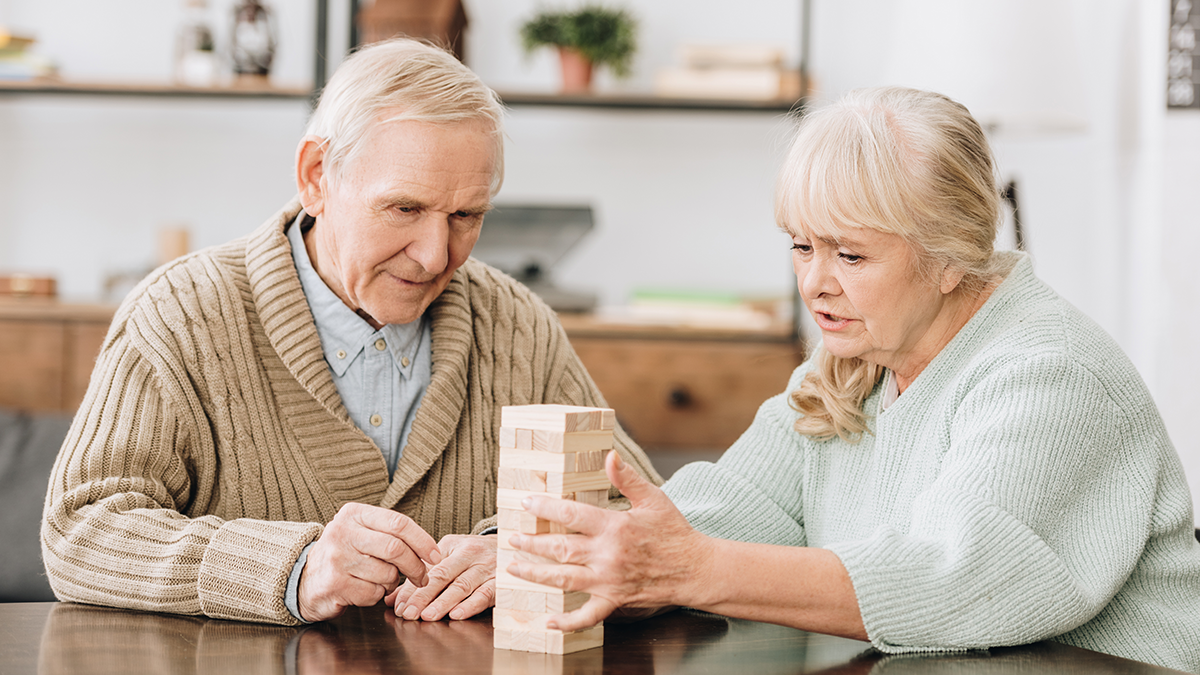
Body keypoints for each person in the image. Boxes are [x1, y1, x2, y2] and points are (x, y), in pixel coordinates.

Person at [505, 86, 1200, 673]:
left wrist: (688, 568)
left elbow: (949, 579)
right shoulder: (853, 357)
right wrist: (570, 554)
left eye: (851, 254)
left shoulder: (1052, 376)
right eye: (802, 245)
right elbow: (738, 504)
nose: (814, 283)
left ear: (952, 255)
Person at [40, 38, 660, 626]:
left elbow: (647, 524)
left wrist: (526, 555)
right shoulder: (181, 313)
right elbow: (81, 531)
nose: (434, 256)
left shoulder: (519, 324)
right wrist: (291, 569)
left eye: (466, 216)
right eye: (405, 209)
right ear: (316, 177)